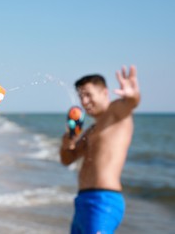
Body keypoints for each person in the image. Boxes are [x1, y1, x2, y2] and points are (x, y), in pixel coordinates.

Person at [60, 66, 140, 234]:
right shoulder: (90, 130)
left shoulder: (116, 113)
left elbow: (130, 103)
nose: (84, 101)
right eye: (81, 96)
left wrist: (132, 95)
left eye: (88, 95)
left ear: (104, 92)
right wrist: (68, 140)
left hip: (104, 202)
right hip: (82, 201)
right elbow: (67, 159)